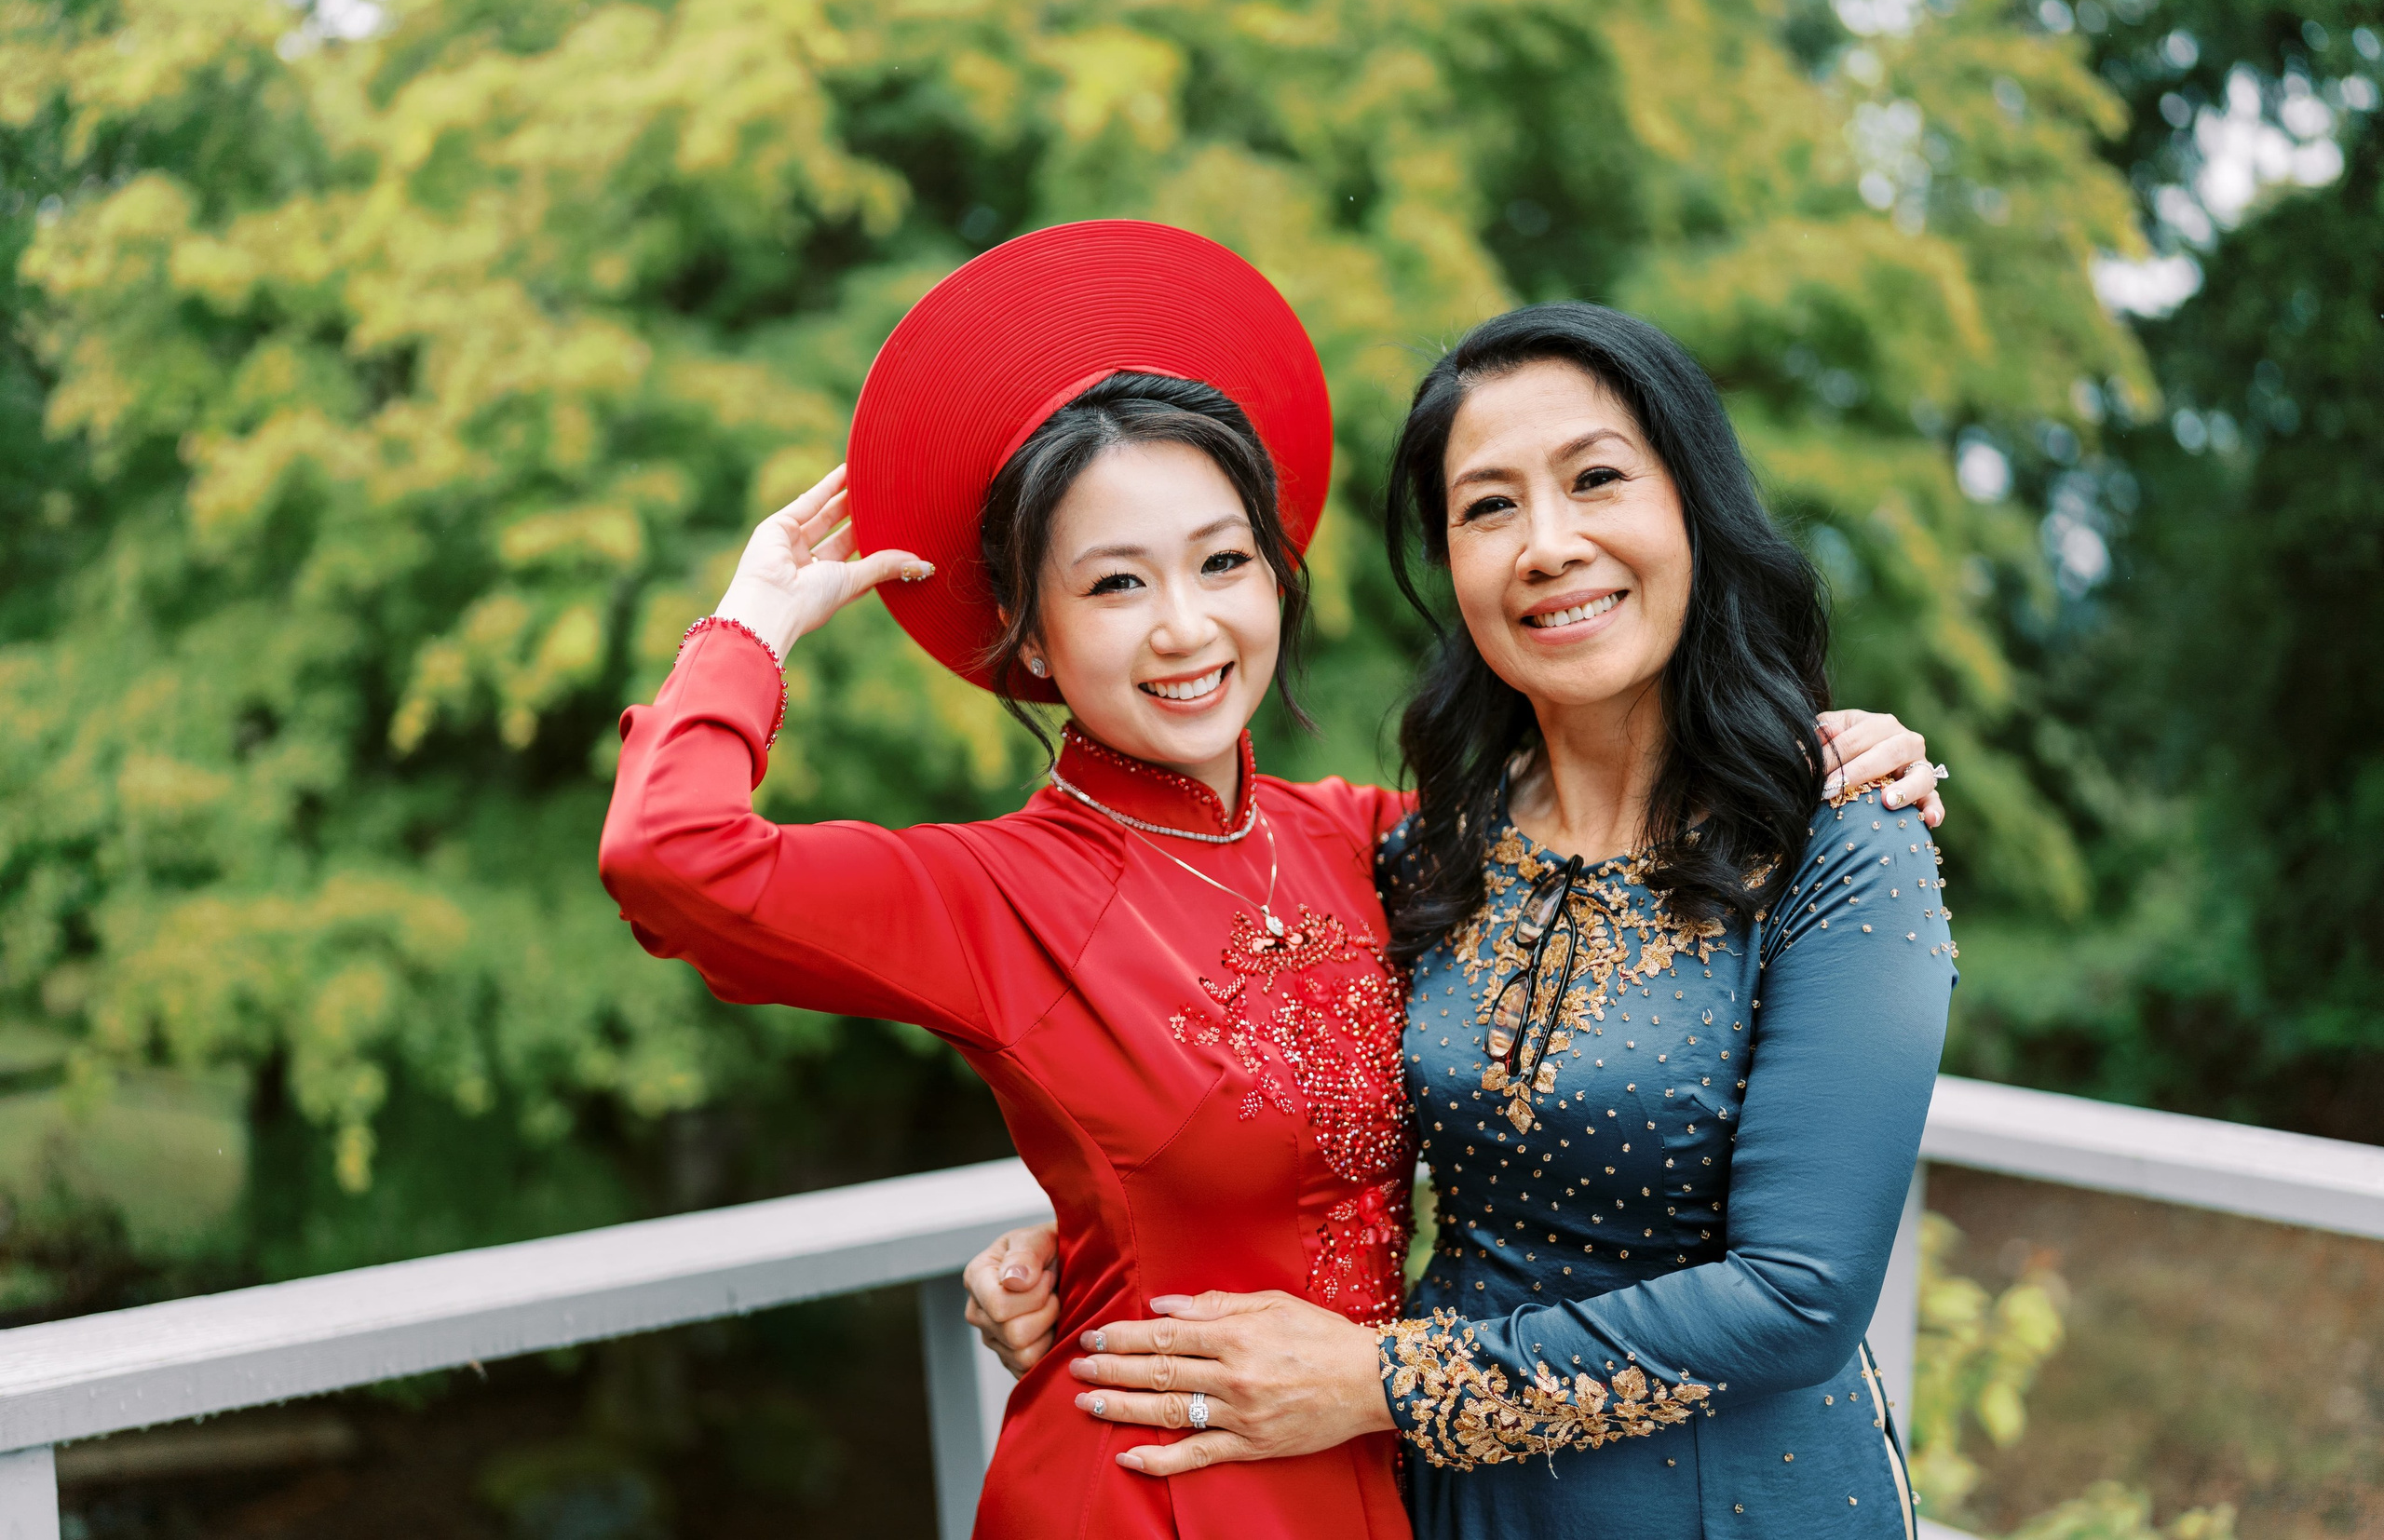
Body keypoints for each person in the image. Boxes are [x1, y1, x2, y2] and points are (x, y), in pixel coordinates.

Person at [602, 223, 1941, 1539]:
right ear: (1033, 640)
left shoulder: (1388, 842)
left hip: (1450, 1475)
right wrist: (748, 628)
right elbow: (675, 864)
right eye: (1116, 584)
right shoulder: (1056, 882)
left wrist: (1828, 746)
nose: (1185, 626)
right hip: (1196, 1489)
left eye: (1222, 562)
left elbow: (1795, 1279)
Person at [964, 302, 1957, 1540]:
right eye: (1489, 506)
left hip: (1737, 1504)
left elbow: (1800, 1296)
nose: (1547, 545)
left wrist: (1373, 1381)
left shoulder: (1841, 839)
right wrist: (1102, 1233)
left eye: (1596, 480)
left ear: (1693, 506)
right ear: (1451, 563)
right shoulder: (1426, 854)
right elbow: (1264, 1089)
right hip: (1451, 1506)